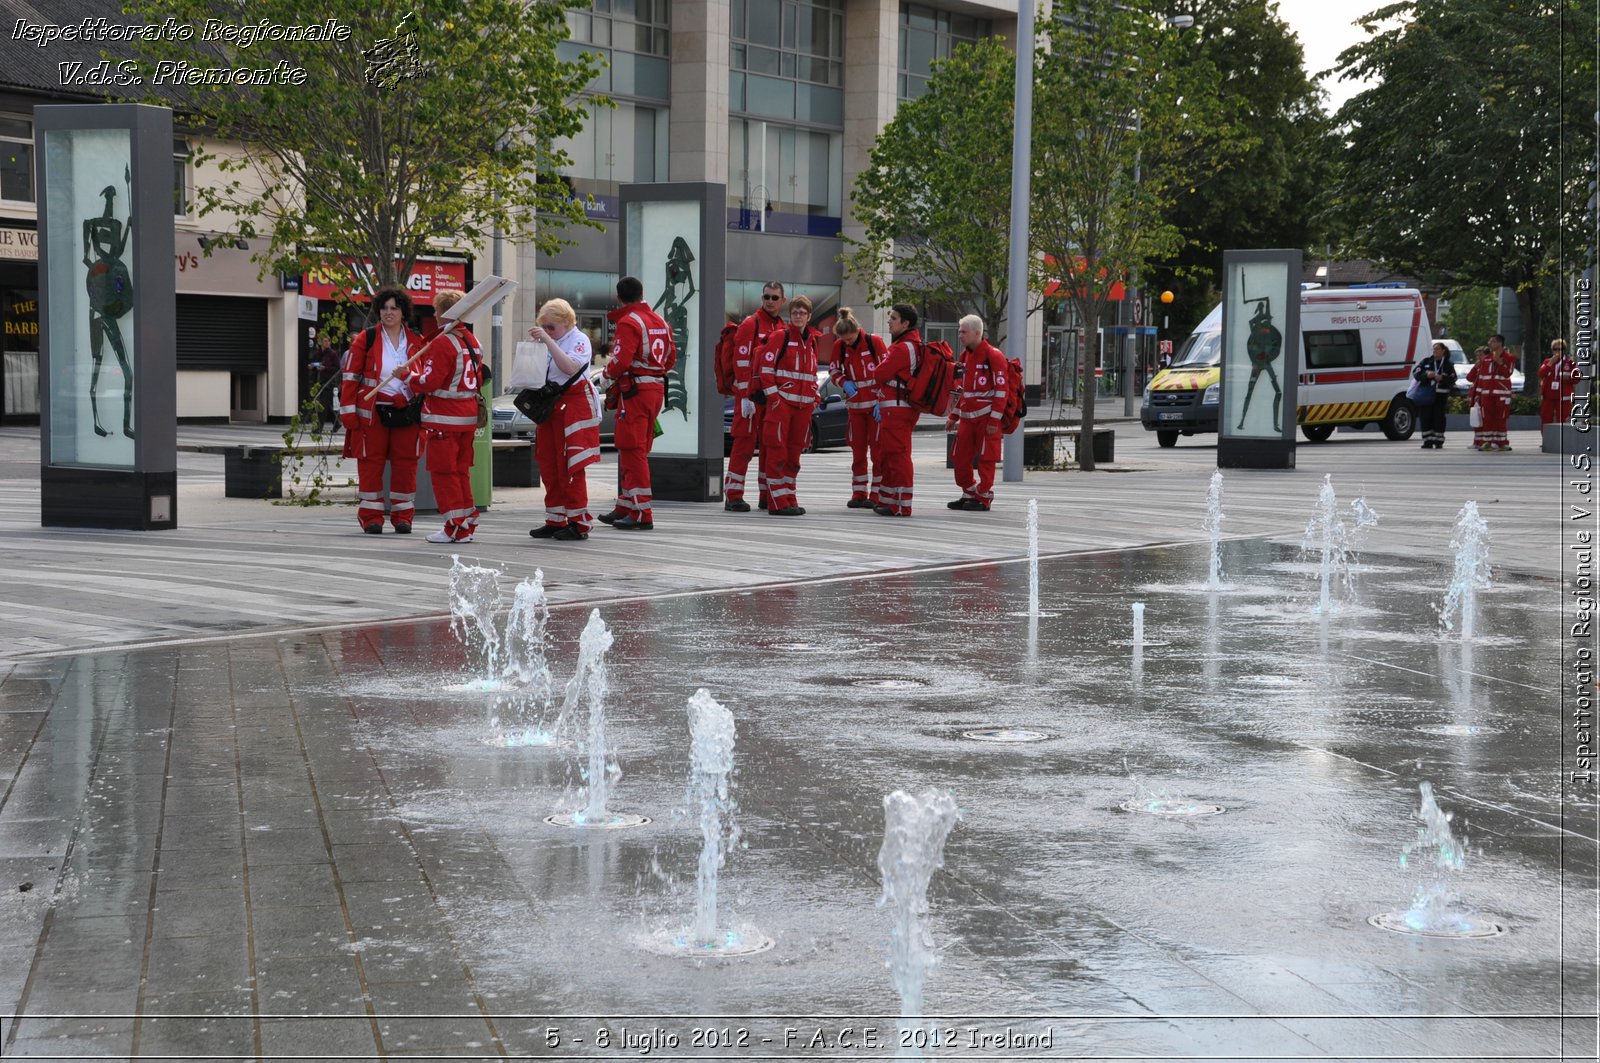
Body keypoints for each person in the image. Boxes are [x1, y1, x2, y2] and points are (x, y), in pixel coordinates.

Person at [402, 288, 484, 544]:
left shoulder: (443, 342)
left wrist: (406, 376)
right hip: (467, 418)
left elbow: (429, 381)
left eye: (437, 310)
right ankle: (466, 522)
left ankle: (454, 526)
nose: (434, 314)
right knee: (460, 472)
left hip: (443, 419)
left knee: (443, 473)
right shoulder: (472, 340)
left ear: (445, 312)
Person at [340, 286, 424, 533]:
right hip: (373, 412)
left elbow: (423, 375)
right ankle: (371, 516)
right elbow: (350, 377)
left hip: (406, 410)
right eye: (385, 308)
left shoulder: (417, 340)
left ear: (403, 312)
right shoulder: (366, 339)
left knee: (406, 464)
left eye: (394, 308)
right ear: (378, 311)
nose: (389, 312)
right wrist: (348, 412)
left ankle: (403, 516)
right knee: (370, 463)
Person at [597, 276, 675, 530]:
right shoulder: (660, 321)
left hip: (635, 392)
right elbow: (671, 358)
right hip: (654, 389)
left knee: (633, 451)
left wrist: (605, 378)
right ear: (642, 294)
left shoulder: (629, 322)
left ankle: (642, 512)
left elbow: (620, 361)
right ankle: (626, 506)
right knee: (636, 449)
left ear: (619, 297)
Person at [527, 298, 602, 541]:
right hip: (552, 404)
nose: (548, 331)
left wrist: (547, 341)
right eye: (544, 327)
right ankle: (556, 518)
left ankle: (579, 523)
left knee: (571, 466)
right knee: (548, 463)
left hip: (574, 404)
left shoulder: (579, 340)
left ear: (567, 323)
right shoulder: (553, 340)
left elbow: (570, 367)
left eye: (552, 327)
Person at [723, 281, 786, 511]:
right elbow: (740, 362)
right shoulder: (751, 323)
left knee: (770, 445)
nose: (770, 301)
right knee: (744, 445)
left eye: (774, 297)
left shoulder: (782, 327)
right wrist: (746, 395)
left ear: (783, 301)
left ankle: (766, 494)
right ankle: (733, 495)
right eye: (766, 297)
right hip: (749, 397)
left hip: (769, 396)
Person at [756, 295, 820, 516]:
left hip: (803, 408)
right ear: (790, 315)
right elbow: (766, 370)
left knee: (794, 456)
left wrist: (814, 396)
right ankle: (777, 502)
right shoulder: (780, 337)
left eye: (802, 313)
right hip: (782, 406)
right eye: (795, 313)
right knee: (777, 453)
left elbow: (811, 374)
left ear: (809, 316)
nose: (798, 316)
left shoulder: (811, 340)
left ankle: (789, 497)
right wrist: (775, 400)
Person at [946, 314, 1009, 510]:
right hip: (967, 418)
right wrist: (953, 416)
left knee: (986, 459)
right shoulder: (964, 356)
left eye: (963, 332)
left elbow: (1002, 391)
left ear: (977, 333)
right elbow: (961, 389)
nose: (960, 335)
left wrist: (994, 420)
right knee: (959, 458)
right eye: (959, 331)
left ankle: (984, 496)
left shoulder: (994, 356)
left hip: (986, 419)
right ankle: (969, 492)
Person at [870, 304, 924, 518]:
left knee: (898, 456)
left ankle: (902, 504)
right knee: (890, 455)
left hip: (897, 410)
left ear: (905, 323)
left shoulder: (903, 348)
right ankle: (891, 501)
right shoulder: (907, 345)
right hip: (896, 409)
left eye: (893, 318)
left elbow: (879, 373)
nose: (889, 321)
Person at [830, 308, 887, 509]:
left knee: (878, 453)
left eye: (850, 338)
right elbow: (834, 370)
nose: (848, 342)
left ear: (857, 330)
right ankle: (859, 493)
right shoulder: (840, 346)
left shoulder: (874, 343)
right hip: (855, 407)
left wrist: (883, 402)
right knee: (858, 452)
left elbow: (887, 373)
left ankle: (877, 494)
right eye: (844, 339)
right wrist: (844, 381)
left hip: (874, 406)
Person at [1467, 341, 1513, 452]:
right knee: (1486, 419)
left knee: (1500, 418)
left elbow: (1507, 373)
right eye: (1477, 356)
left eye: (1481, 355)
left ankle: (1500, 442)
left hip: (1500, 394)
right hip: (1486, 394)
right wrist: (1478, 394)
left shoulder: (1508, 358)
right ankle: (1485, 441)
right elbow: (1475, 379)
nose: (1479, 358)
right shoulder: (1484, 363)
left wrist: (1499, 362)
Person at [1413, 341, 1457, 449]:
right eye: (1434, 349)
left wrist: (1443, 378)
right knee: (1425, 417)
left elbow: (1453, 378)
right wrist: (1426, 375)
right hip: (1426, 394)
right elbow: (1416, 373)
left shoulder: (1448, 364)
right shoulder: (1426, 361)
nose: (1435, 351)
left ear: (1443, 351)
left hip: (1441, 395)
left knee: (1439, 418)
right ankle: (1427, 441)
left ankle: (1438, 440)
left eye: (1437, 349)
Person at [1540, 338, 1578, 426]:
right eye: (1555, 349)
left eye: (1560, 349)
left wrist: (1568, 378)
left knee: (1563, 421)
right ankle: (1547, 438)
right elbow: (1541, 374)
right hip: (1548, 397)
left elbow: (1577, 378)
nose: (1557, 351)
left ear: (1563, 350)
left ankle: (1562, 439)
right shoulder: (1547, 361)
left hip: (1563, 398)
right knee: (1545, 419)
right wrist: (1550, 363)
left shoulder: (1570, 362)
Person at [309, 332, 341, 426]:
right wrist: (312, 367)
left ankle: (318, 428)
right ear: (320, 343)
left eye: (328, 341)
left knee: (322, 404)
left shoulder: (332, 354)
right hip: (319, 381)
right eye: (325, 341)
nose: (327, 343)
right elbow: (314, 364)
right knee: (325, 404)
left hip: (329, 382)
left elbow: (337, 368)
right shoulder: (319, 354)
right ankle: (337, 424)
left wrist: (326, 368)